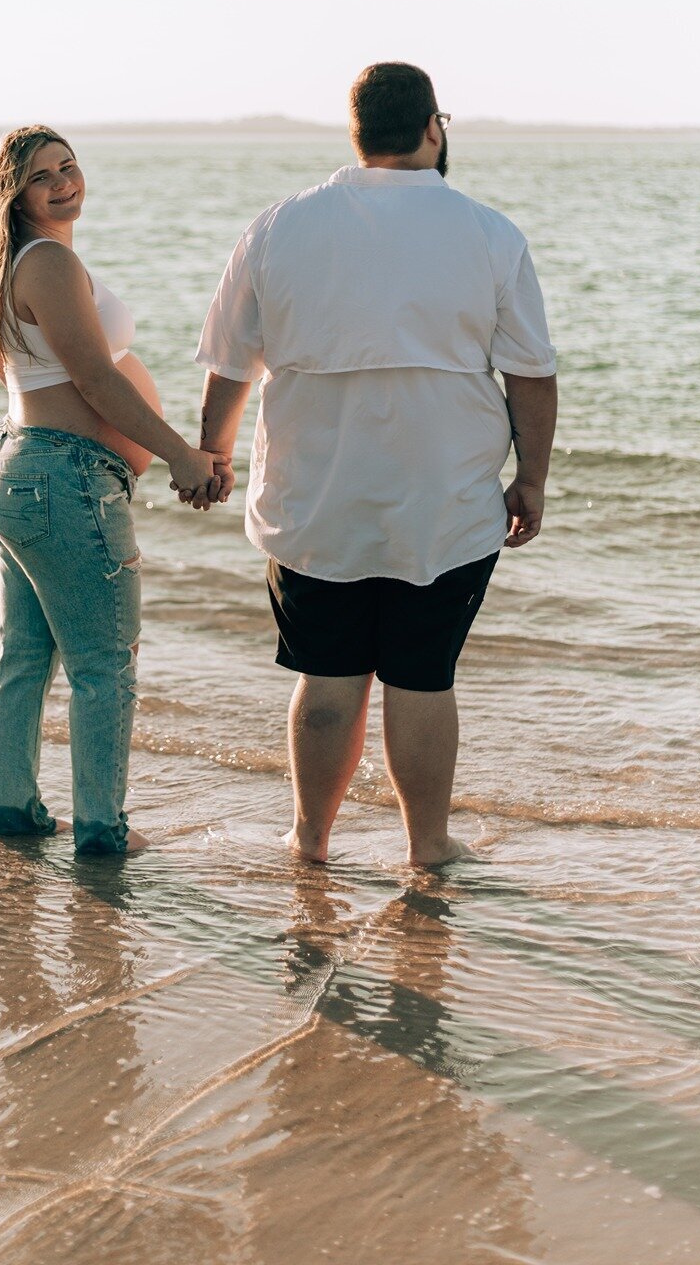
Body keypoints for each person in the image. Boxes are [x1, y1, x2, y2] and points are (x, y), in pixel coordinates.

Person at [192, 63, 558, 867]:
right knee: (422, 678)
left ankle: (310, 840)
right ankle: (427, 846)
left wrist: (214, 453)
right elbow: (529, 372)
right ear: (434, 127)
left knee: (326, 676)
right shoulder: (488, 232)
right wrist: (530, 478)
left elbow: (229, 365)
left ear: (356, 135)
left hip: (312, 499)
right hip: (446, 503)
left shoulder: (278, 226)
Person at [0, 126, 223, 855]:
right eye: (44, 177)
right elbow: (96, 382)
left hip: (24, 472)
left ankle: (12, 810)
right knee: (104, 665)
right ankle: (101, 832)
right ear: (17, 195)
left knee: (26, 658)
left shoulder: (20, 261)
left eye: (69, 166)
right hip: (62, 479)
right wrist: (179, 455)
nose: (65, 182)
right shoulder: (46, 264)